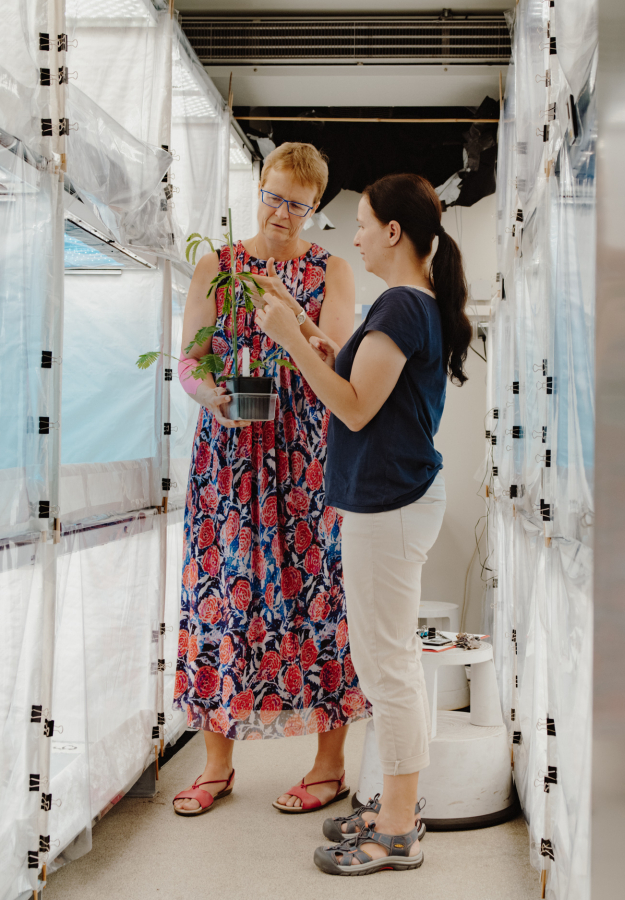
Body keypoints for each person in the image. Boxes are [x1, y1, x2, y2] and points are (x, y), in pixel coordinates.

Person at [256, 172, 472, 875]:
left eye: (362, 221)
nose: (349, 233)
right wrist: (311, 330)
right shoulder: (402, 306)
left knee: (388, 667)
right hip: (389, 501)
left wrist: (289, 339)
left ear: (392, 233)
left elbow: (352, 407)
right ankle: (394, 808)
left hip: (390, 505)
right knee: (390, 662)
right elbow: (361, 383)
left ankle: (400, 827)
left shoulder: (404, 306)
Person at [172, 142, 367, 817]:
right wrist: (210, 396)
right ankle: (217, 766)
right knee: (220, 599)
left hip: (306, 458)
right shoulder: (216, 266)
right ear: (259, 188)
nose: (283, 213)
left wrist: (285, 320)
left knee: (317, 599)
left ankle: (330, 764)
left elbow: (335, 357)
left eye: (299, 204)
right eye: (275, 197)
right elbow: (190, 361)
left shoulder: (332, 270)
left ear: (316, 209)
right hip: (227, 460)